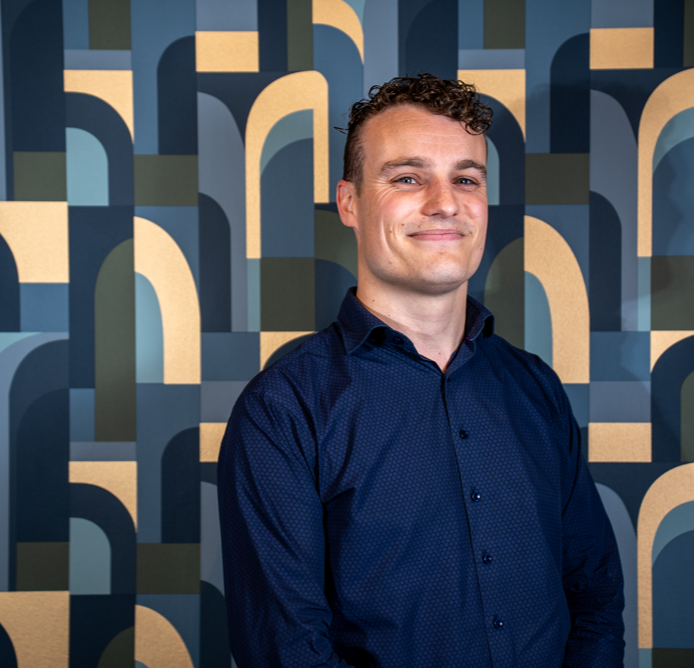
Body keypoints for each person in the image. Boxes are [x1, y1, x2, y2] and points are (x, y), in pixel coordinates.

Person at [218, 73, 624, 667]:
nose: (445, 202)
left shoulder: (536, 388)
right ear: (349, 202)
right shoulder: (284, 408)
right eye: (408, 177)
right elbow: (287, 650)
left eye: (466, 178)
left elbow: (594, 597)